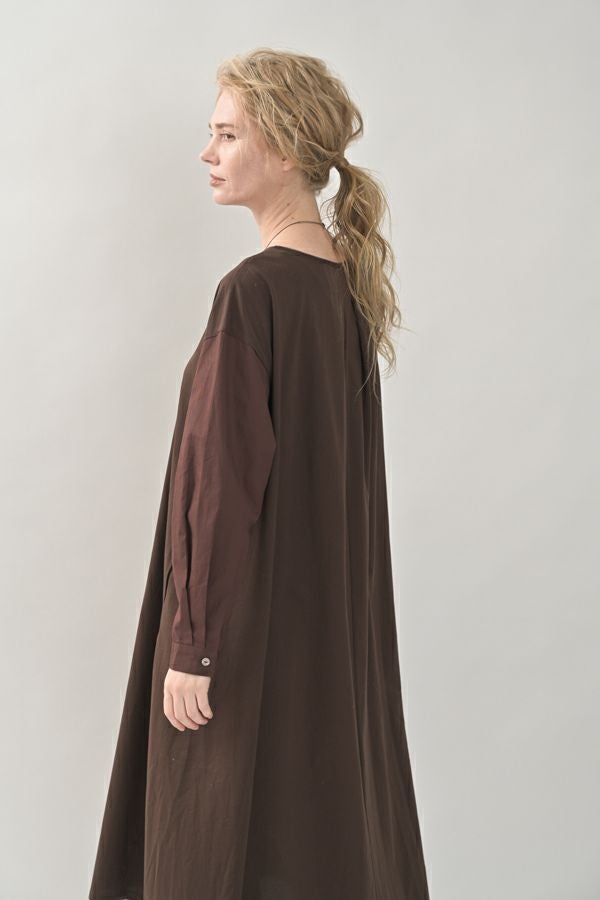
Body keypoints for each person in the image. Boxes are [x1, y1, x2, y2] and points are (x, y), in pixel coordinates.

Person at [89, 47, 431, 900]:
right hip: (322, 650)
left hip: (240, 646)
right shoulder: (343, 292)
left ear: (281, 147)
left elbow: (221, 486)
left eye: (227, 134)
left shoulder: (255, 294)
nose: (208, 152)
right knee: (307, 847)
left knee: (211, 850)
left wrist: (194, 645)